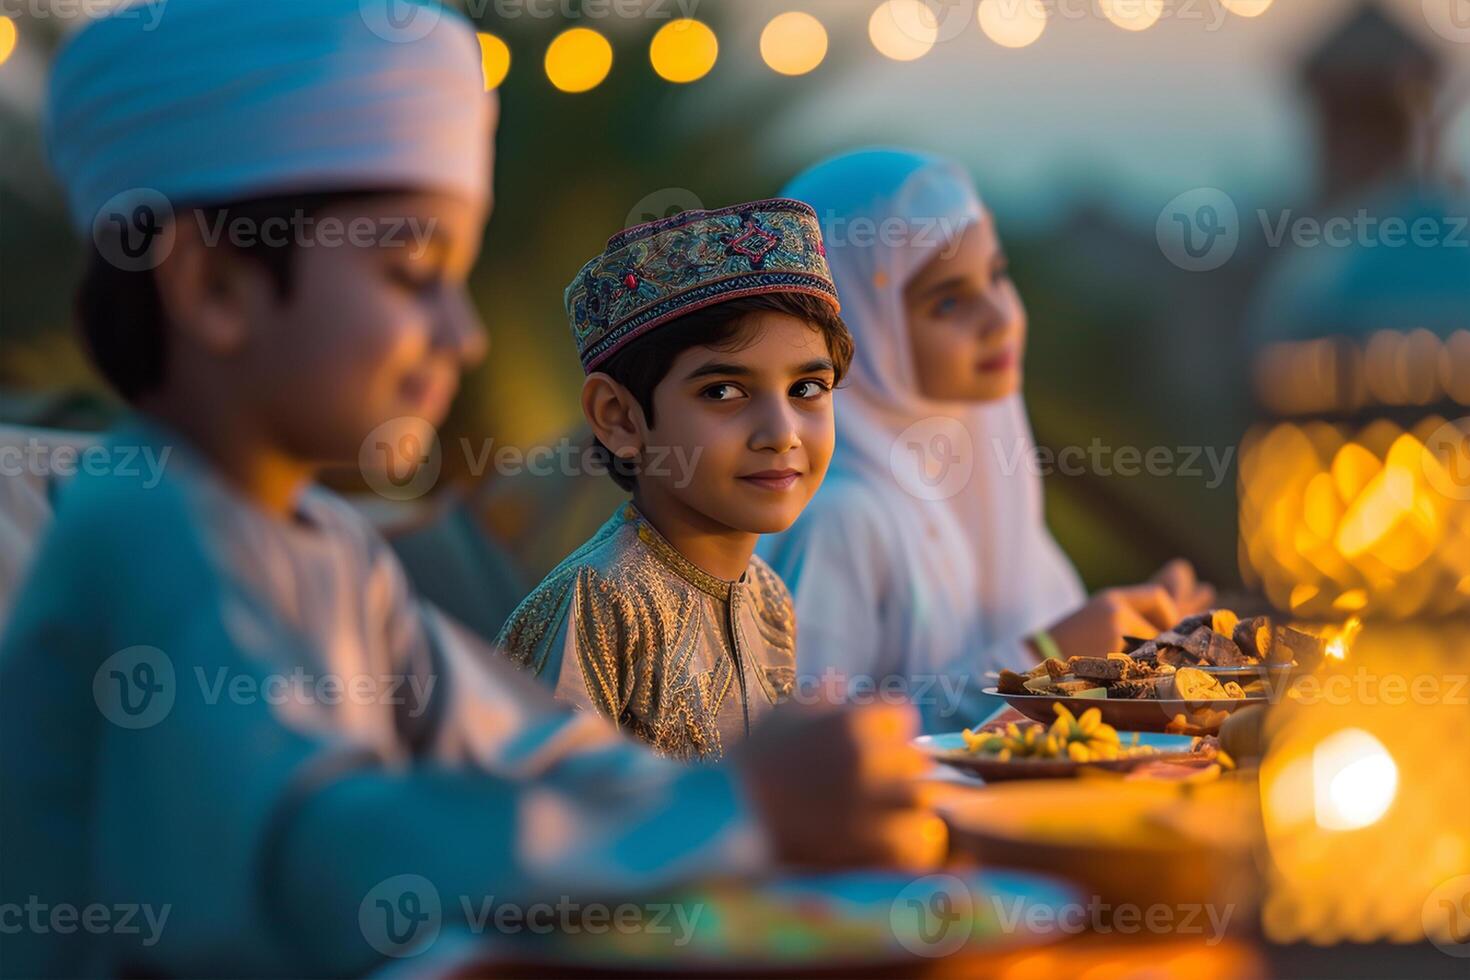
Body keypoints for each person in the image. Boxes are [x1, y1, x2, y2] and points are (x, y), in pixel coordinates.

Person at [0, 10, 927, 976]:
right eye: (413, 276)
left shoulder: (322, 543)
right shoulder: (155, 530)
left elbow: (528, 746)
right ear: (215, 288)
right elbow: (327, 858)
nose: (467, 335)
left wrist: (769, 796)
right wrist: (739, 811)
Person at [759, 149, 1214, 732]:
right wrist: (1042, 658)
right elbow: (807, 749)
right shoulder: (838, 516)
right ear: (856, 329)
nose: (999, 316)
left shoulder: (984, 488)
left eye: (997, 276)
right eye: (947, 301)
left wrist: (1143, 640)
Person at [497, 202, 851, 760]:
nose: (781, 434)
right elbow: (541, 818)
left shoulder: (769, 600)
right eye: (723, 392)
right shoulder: (599, 601)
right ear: (619, 417)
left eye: (807, 389)